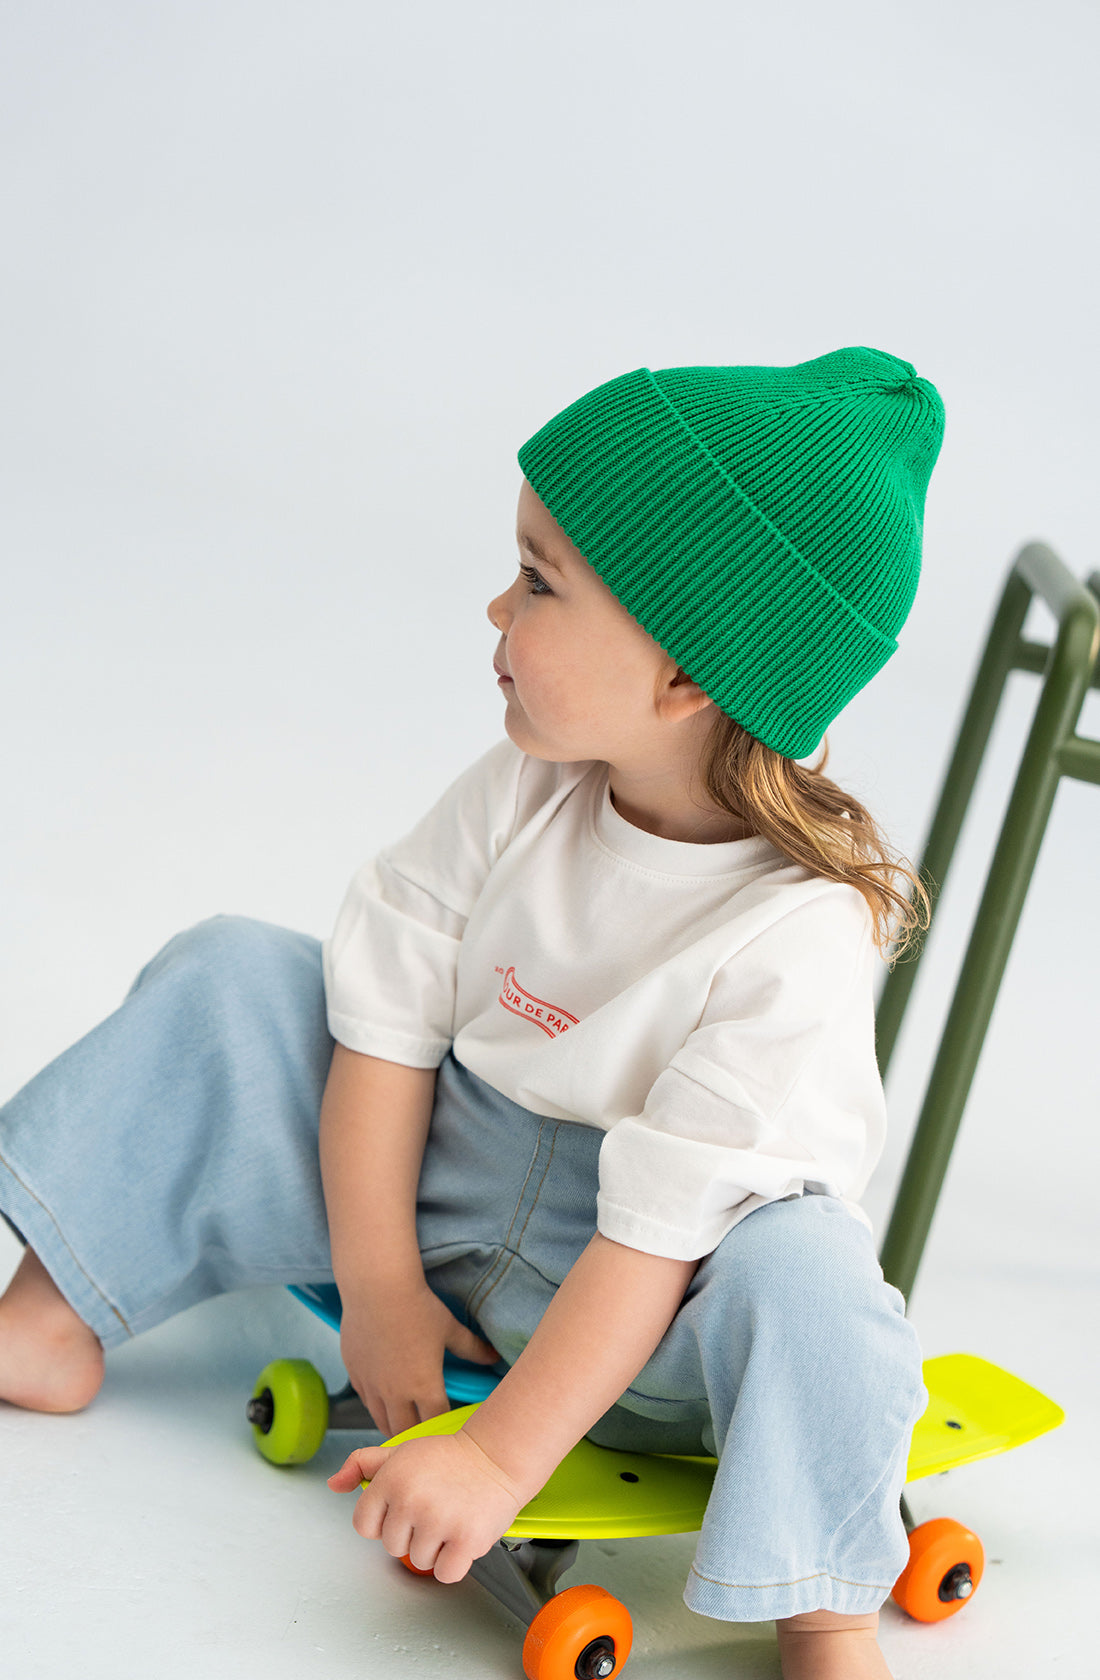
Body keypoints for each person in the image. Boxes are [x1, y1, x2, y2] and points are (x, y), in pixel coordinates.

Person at [0, 348, 944, 1679]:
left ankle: (825, 1610)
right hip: (438, 1199)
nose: (497, 608)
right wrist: (380, 1289)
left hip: (652, 1313)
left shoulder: (799, 927)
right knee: (237, 974)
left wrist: (501, 1454)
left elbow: (664, 1224)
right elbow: (382, 1015)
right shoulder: (525, 788)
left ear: (685, 677)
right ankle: (53, 1315)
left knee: (819, 1282)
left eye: (541, 582)